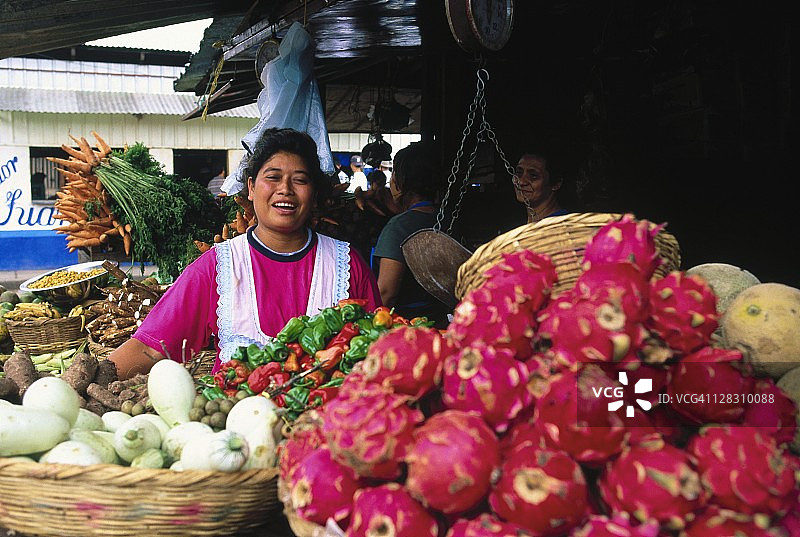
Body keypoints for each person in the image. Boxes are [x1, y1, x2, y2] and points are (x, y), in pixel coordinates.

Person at [109, 128, 382, 379]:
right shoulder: (217, 268)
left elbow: (378, 348)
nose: (285, 189)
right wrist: (84, 382)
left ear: (314, 194)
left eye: (300, 180)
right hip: (236, 424)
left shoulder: (346, 265)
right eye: (272, 177)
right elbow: (152, 347)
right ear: (251, 188)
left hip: (329, 428)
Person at [372, 141, 448, 325]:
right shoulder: (445, 218)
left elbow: (385, 293)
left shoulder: (398, 227)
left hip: (407, 327)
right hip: (442, 322)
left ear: (400, 181)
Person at [512, 149, 572, 224]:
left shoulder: (563, 226)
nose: (521, 182)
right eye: (519, 173)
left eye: (533, 176)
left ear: (557, 184)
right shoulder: (523, 224)